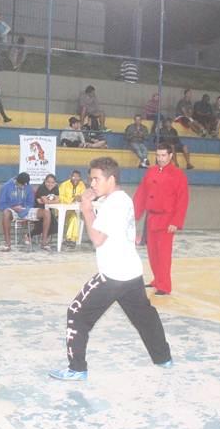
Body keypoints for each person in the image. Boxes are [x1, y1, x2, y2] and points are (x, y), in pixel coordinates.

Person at [48, 156, 173, 380]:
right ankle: (163, 357)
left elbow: (97, 238)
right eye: (91, 180)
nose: (92, 184)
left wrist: (86, 208)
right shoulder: (121, 199)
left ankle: (77, 368)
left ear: (111, 179)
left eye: (96, 179)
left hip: (113, 275)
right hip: (131, 273)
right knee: (144, 316)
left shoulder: (114, 203)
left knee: (76, 313)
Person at [133, 143, 189, 296]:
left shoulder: (178, 175)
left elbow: (182, 200)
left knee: (163, 254)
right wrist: (134, 215)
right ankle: (157, 280)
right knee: (152, 252)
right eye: (158, 155)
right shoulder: (151, 172)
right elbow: (142, 194)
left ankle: (164, 285)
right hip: (151, 218)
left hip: (167, 220)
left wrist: (175, 222)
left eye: (164, 155)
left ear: (171, 156)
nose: (160, 158)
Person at [0, 172, 36, 252]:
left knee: (45, 212)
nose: (24, 186)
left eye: (25, 185)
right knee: (6, 213)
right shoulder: (6, 187)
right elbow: (0, 205)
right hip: (11, 210)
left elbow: (31, 202)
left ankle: (43, 243)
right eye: (22, 185)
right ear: (17, 181)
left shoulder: (28, 187)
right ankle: (7, 244)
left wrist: (25, 210)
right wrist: (13, 208)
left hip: (25, 209)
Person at [59, 170, 87, 246]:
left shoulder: (82, 185)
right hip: (63, 211)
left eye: (78, 177)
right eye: (74, 176)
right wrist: (72, 199)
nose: (76, 178)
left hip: (75, 210)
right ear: (70, 177)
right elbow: (60, 198)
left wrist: (81, 198)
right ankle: (71, 239)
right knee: (75, 217)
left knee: (75, 217)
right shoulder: (64, 185)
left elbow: (84, 196)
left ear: (80, 178)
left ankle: (70, 239)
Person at [33, 173, 58, 251]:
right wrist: (52, 201)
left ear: (55, 183)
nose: (50, 184)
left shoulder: (56, 188)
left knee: (54, 221)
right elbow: (45, 201)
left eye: (52, 182)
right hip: (38, 209)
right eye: (48, 182)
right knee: (51, 220)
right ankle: (44, 241)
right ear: (45, 181)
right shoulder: (42, 188)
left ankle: (43, 238)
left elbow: (58, 199)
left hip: (48, 209)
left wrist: (48, 201)